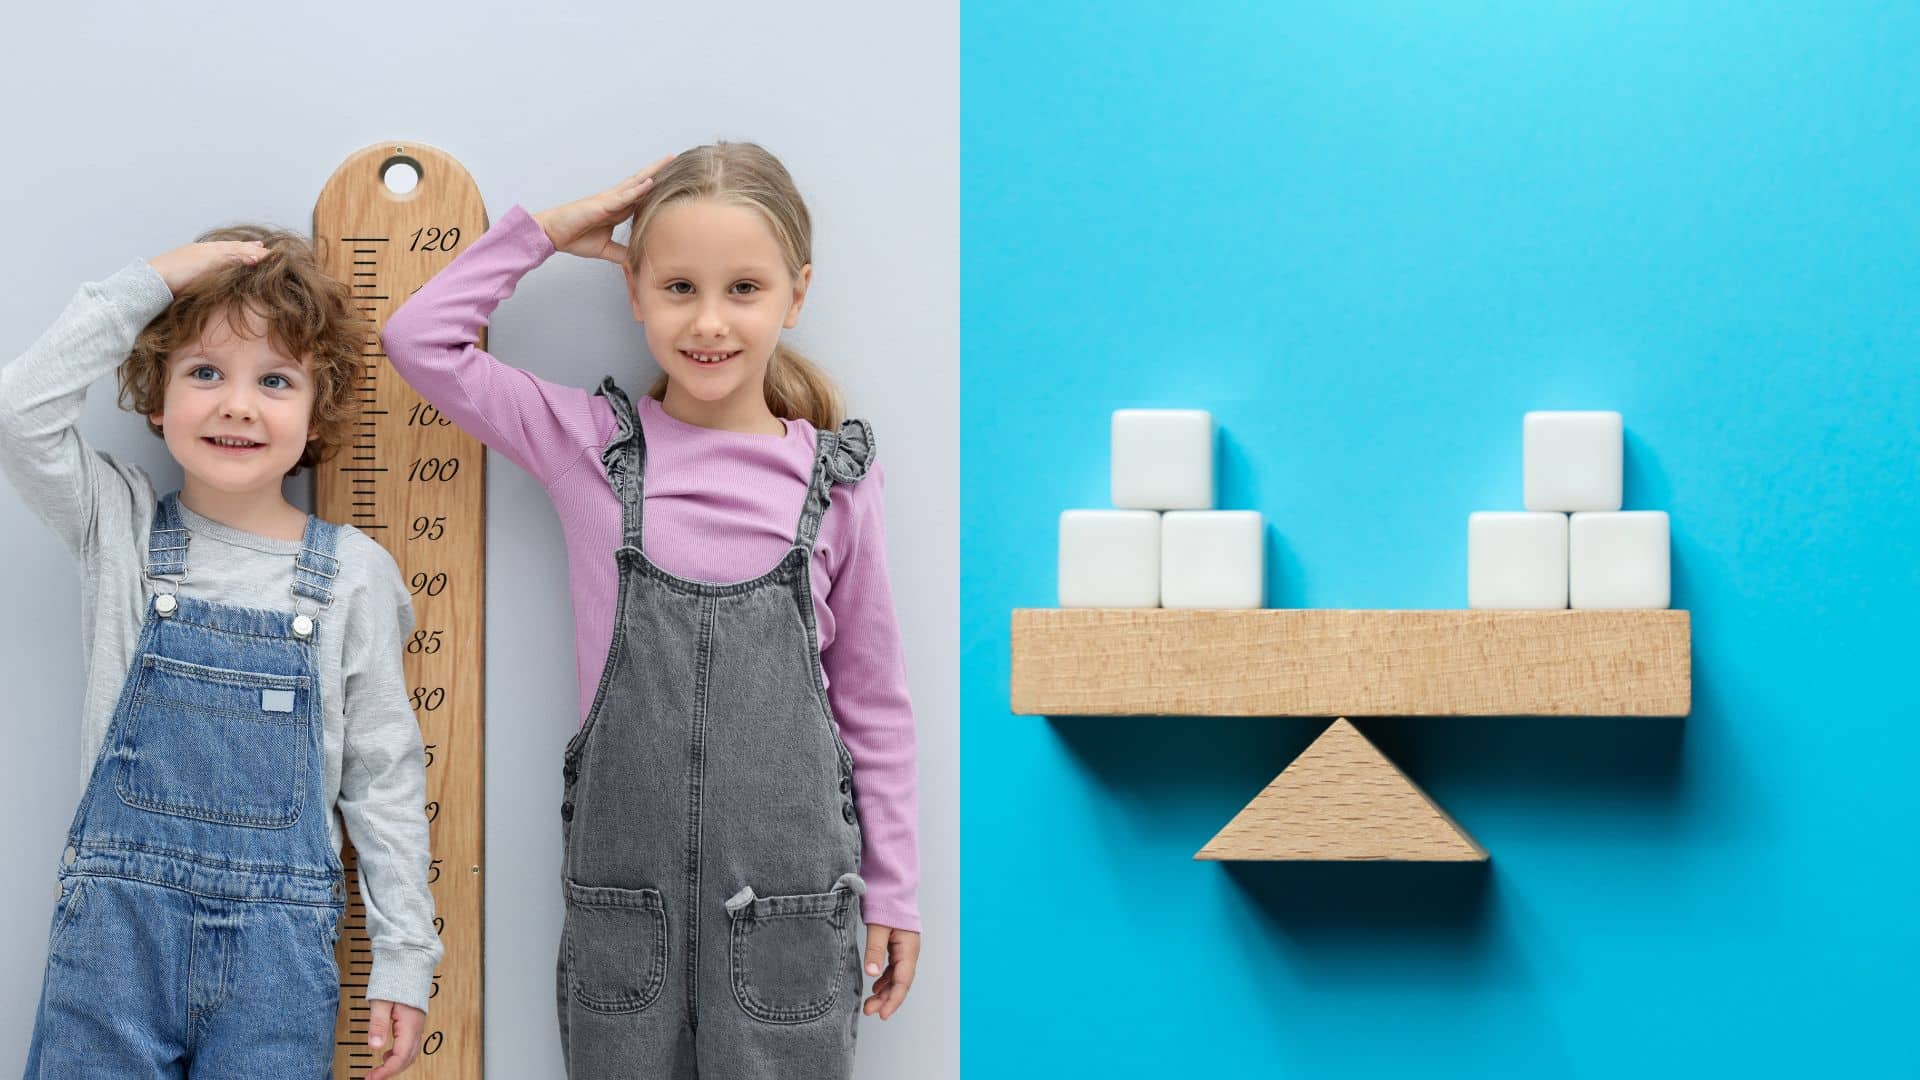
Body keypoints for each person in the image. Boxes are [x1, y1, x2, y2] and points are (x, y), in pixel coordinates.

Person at [381, 142, 920, 1078]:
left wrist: (897, 892)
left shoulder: (837, 484)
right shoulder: (588, 447)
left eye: (743, 289)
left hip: (792, 917)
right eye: (677, 287)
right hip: (627, 918)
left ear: (796, 295)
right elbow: (419, 340)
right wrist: (545, 234)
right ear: (633, 290)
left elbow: (873, 705)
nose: (709, 321)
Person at [0, 228, 441, 1079]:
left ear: (318, 413)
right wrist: (153, 283)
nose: (237, 404)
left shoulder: (352, 577)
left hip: (279, 965)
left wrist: (403, 960)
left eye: (275, 380)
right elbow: (19, 410)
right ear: (156, 399)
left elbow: (386, 781)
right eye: (205, 371)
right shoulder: (119, 527)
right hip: (114, 944)